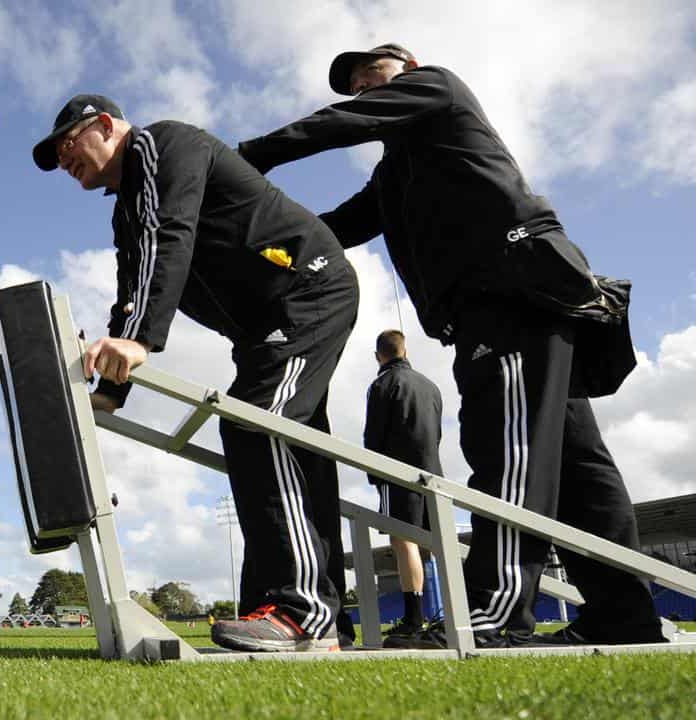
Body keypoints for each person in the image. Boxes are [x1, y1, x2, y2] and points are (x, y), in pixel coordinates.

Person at [238, 44, 664, 648]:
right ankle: (625, 615)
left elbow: (341, 122)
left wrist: (246, 159)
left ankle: (493, 611)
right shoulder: (393, 176)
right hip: (508, 305)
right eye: (356, 86)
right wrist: (255, 236)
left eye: (372, 76)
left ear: (406, 72)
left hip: (509, 294)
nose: (364, 90)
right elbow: (333, 230)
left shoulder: (437, 87)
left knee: (506, 448)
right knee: (575, 463)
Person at [33, 94, 359, 652]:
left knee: (259, 426)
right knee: (294, 451)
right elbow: (132, 279)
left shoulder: (162, 145)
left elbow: (169, 236)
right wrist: (112, 388)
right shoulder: (127, 203)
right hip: (262, 328)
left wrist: (139, 339)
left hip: (306, 292)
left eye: (67, 145)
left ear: (106, 126)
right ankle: (305, 614)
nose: (64, 161)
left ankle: (304, 611)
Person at [363, 330, 443, 644]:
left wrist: (374, 475)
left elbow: (374, 435)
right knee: (437, 545)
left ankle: (413, 618)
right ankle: (454, 613)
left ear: (378, 356)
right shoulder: (431, 386)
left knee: (404, 542)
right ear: (405, 350)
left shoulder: (381, 384)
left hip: (398, 475)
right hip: (433, 473)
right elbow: (436, 433)